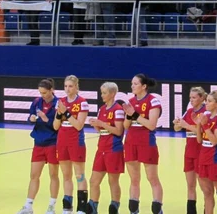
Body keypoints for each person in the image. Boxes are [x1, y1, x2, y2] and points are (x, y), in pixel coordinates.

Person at [122, 74, 164, 214]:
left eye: (135, 84)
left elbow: (151, 125)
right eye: (132, 83)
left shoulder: (153, 101)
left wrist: (134, 114)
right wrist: (128, 115)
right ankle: (134, 210)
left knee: (152, 178)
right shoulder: (131, 101)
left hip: (146, 142)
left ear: (144, 86)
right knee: (134, 179)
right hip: (131, 141)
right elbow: (126, 126)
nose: (132, 86)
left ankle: (157, 209)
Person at [17, 79, 60, 214]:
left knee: (53, 175)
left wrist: (47, 120)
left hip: (53, 143)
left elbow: (58, 126)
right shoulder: (36, 102)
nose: (43, 95)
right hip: (39, 143)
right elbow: (31, 116)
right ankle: (28, 205)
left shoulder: (58, 104)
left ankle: (52, 206)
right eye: (40, 92)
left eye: (45, 92)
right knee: (34, 175)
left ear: (52, 90)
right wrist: (31, 119)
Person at [87, 82, 126, 214]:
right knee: (93, 180)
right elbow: (102, 130)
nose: (102, 95)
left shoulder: (118, 109)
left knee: (113, 180)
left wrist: (101, 123)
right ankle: (93, 207)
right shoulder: (102, 109)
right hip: (102, 147)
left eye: (104, 93)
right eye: (101, 92)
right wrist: (95, 125)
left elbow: (119, 131)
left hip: (113, 148)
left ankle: (114, 206)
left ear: (112, 94)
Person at [53, 75, 90, 214]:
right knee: (66, 175)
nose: (67, 89)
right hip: (62, 140)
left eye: (70, 86)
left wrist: (66, 113)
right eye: (65, 86)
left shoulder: (82, 102)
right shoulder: (61, 102)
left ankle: (81, 208)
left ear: (76, 87)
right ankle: (67, 207)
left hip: (76, 141)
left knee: (79, 175)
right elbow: (56, 126)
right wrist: (59, 115)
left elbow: (79, 125)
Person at [173, 87, 208, 214]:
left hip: (201, 152)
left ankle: (207, 210)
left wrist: (186, 125)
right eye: (190, 98)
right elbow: (177, 128)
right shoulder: (188, 112)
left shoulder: (206, 112)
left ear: (202, 98)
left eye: (194, 97)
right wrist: (177, 123)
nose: (191, 100)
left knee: (204, 186)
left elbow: (204, 131)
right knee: (190, 185)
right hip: (189, 152)